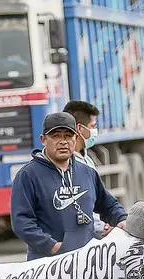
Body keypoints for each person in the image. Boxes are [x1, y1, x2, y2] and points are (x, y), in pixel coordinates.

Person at [11, 112, 127, 260]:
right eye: (56, 136)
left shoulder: (87, 172)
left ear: (76, 138)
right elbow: (21, 222)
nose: (63, 142)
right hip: (48, 265)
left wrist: (122, 219)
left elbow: (108, 206)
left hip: (86, 262)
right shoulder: (27, 176)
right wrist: (51, 246)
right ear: (43, 140)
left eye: (68, 136)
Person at [63, 100, 110, 239]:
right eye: (93, 126)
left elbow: (101, 199)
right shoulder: (67, 165)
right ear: (79, 128)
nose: (95, 132)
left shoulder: (87, 160)